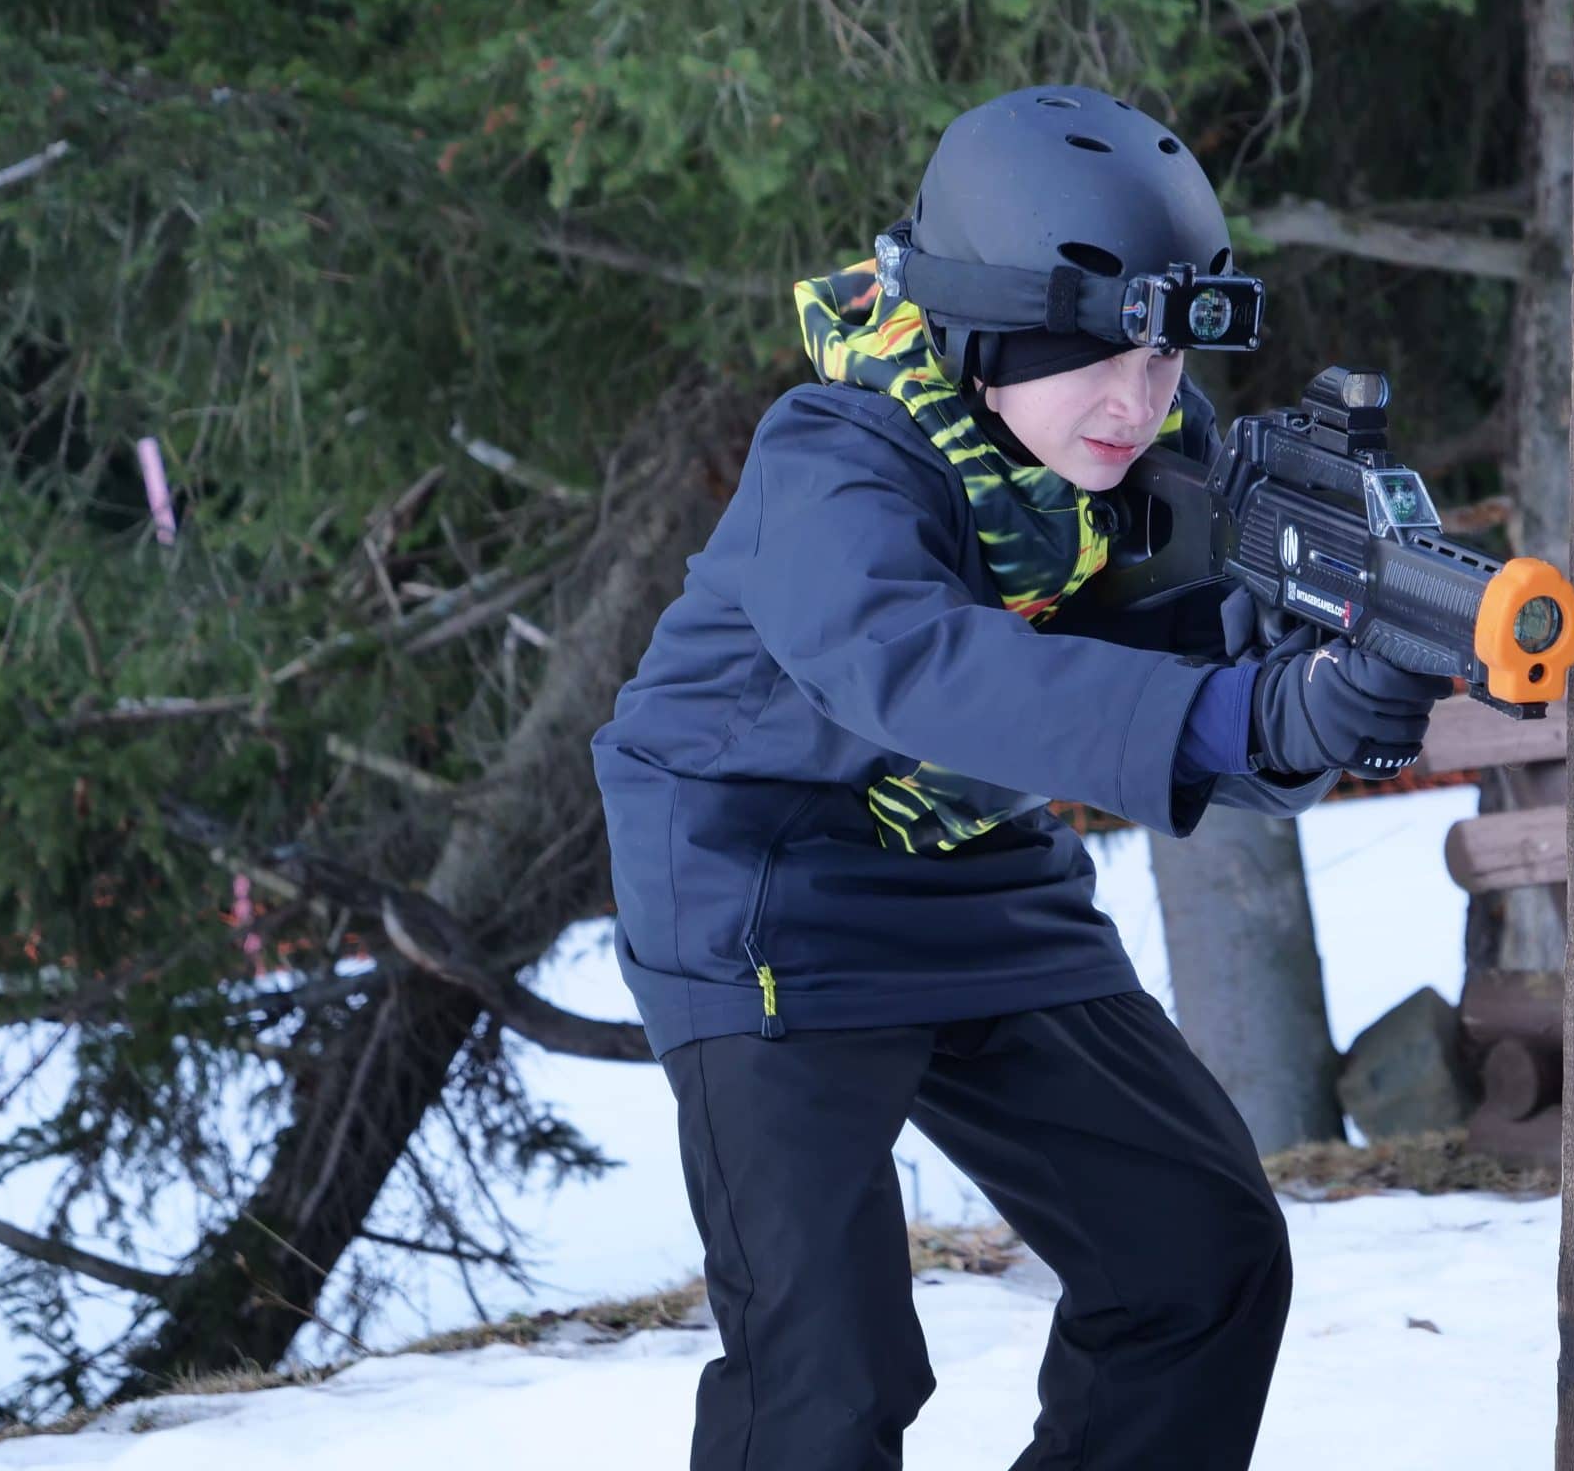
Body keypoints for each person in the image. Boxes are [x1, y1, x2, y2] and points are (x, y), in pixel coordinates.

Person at [590, 84, 1450, 1471]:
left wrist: (1317, 696)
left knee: (1197, 1261)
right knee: (825, 1376)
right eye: (1100, 357)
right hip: (765, 893)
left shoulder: (1136, 464)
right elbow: (922, 669)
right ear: (983, 331)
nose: (1142, 399)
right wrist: (1245, 718)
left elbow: (1186, 683)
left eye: (1170, 359)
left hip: (978, 878)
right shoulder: (835, 460)